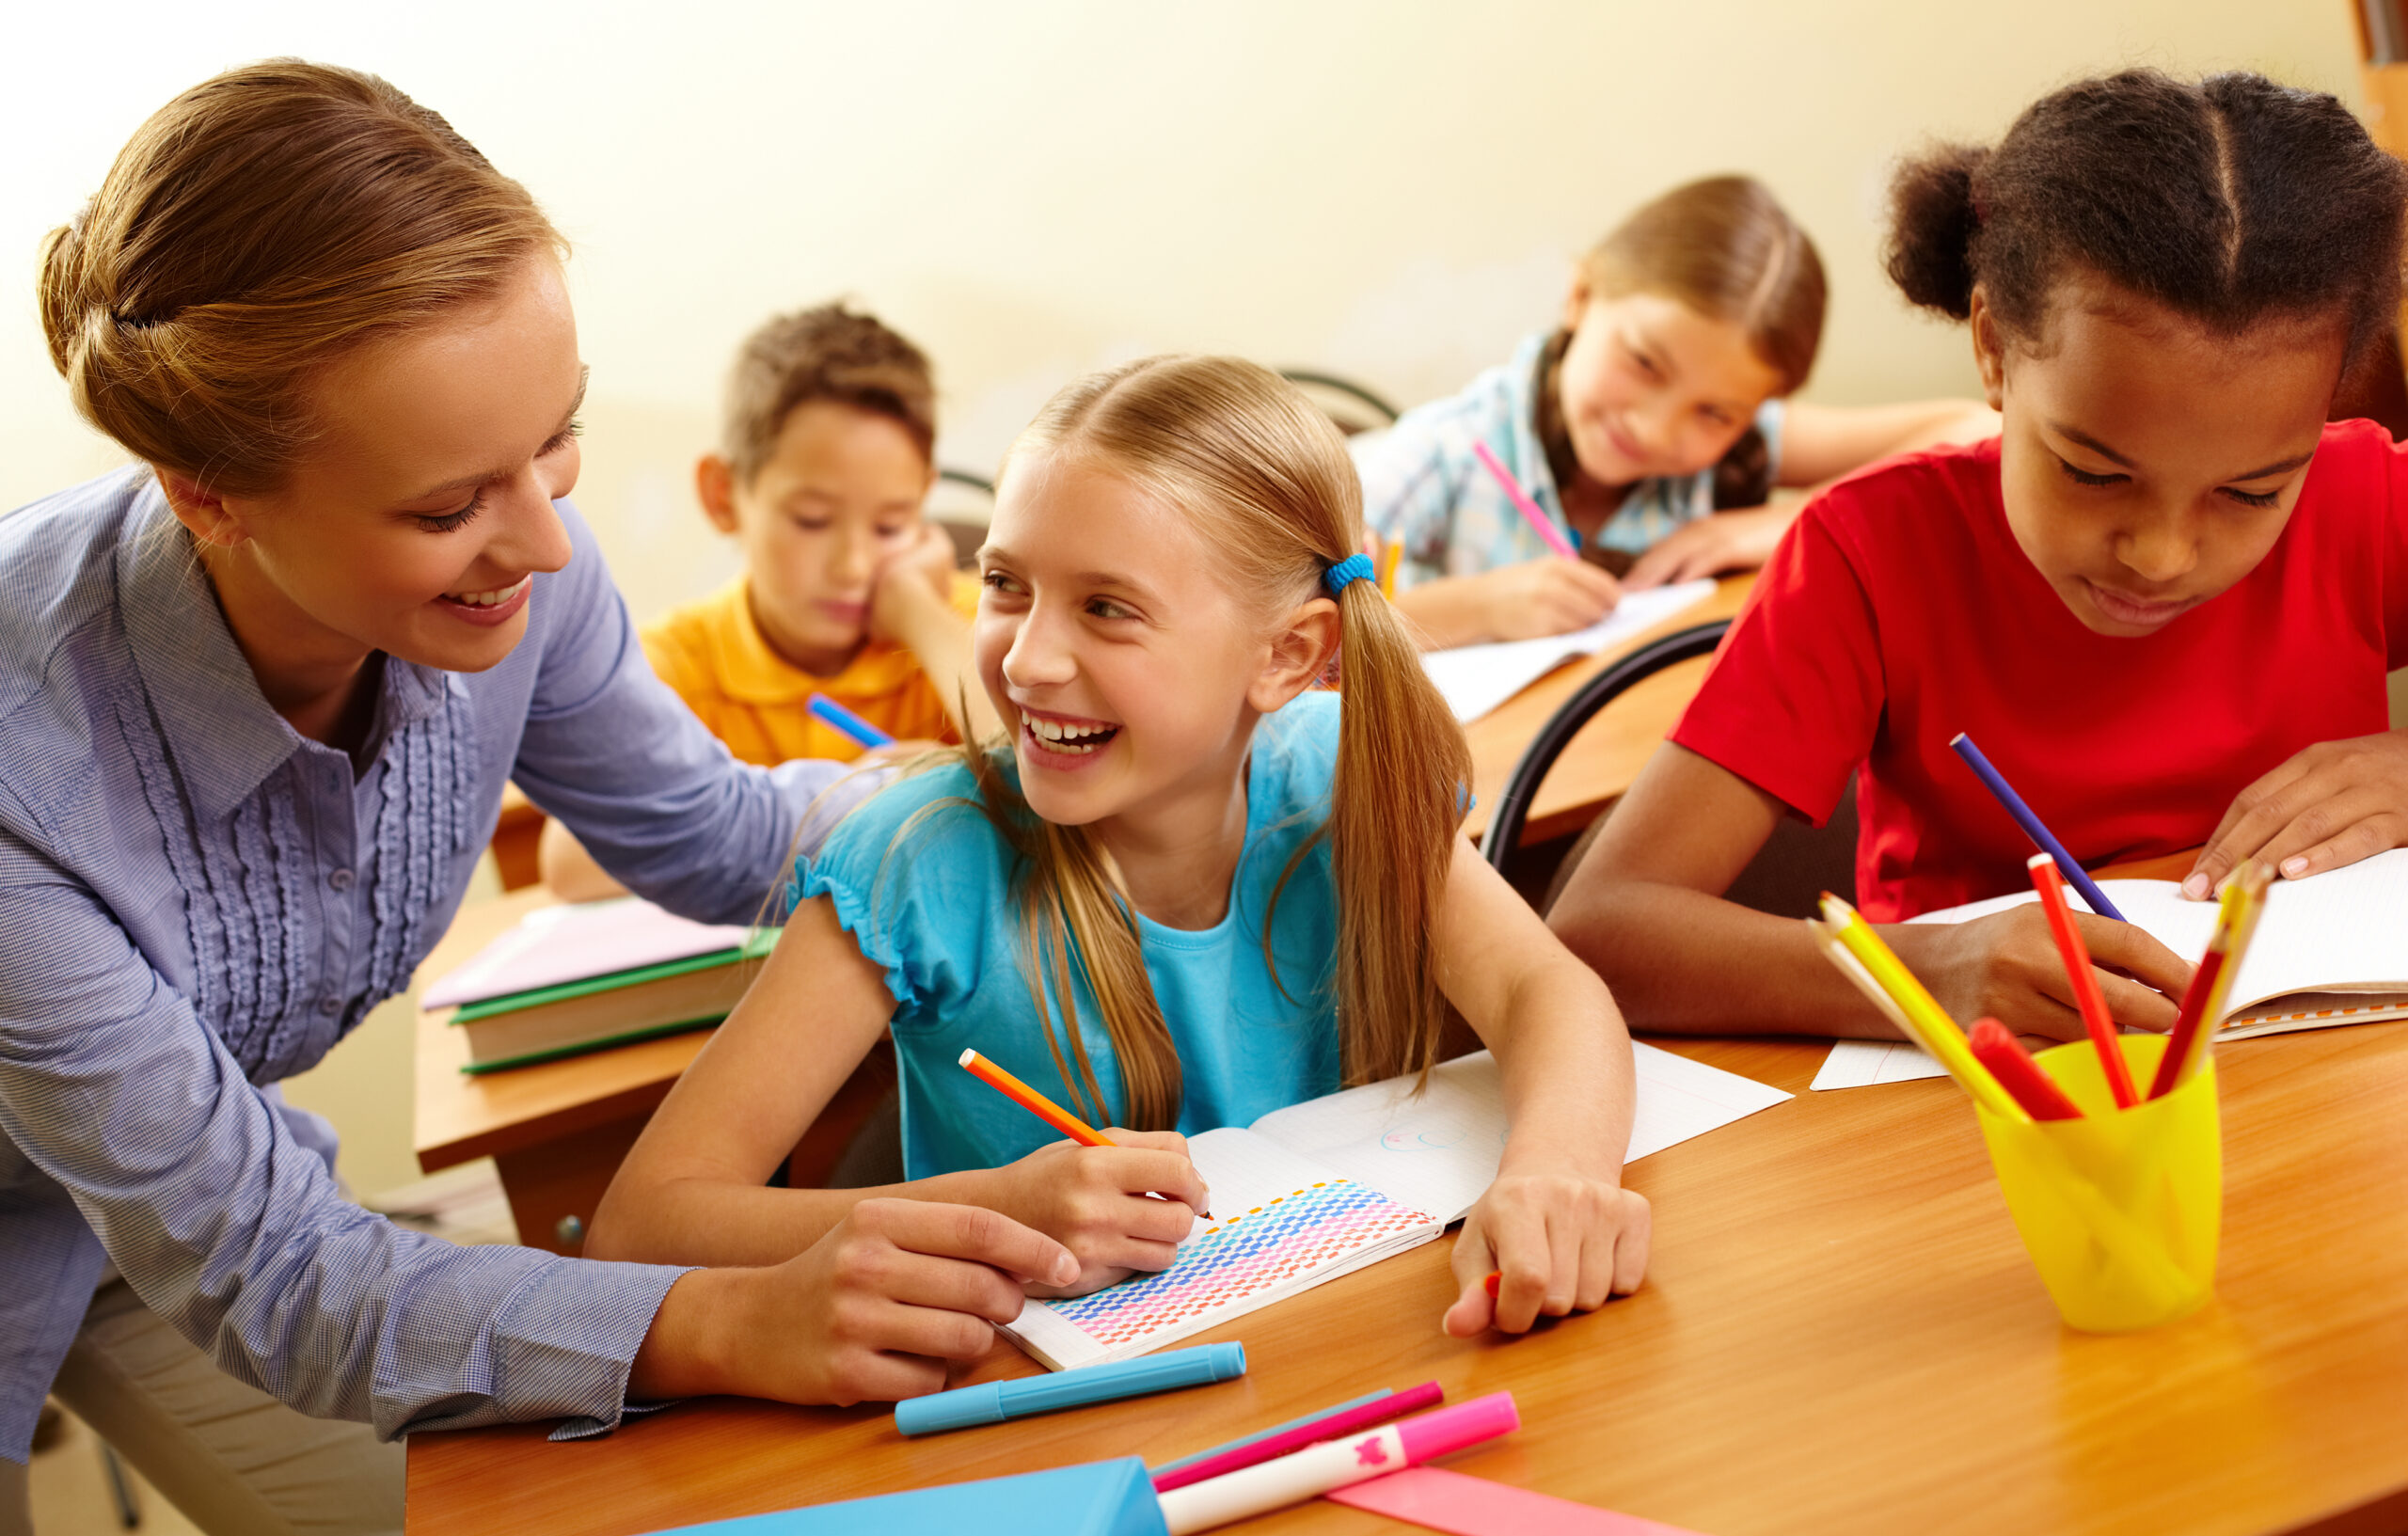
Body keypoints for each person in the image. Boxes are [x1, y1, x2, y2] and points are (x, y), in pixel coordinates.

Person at [0, 61, 1079, 1536]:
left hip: (179, 1211)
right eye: (449, 509)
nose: (550, 540)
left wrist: (1011, 774)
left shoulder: (521, 571)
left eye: (556, 441)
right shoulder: (25, 781)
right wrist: (715, 1310)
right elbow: (286, 1275)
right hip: (184, 1225)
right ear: (209, 493)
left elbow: (716, 832)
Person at [586, 356, 1653, 1339]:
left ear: (1286, 656)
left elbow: (1541, 993)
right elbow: (648, 1221)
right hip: (1040, 1415)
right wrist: (994, 1208)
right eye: (1005, 585)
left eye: (1106, 608)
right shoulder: (916, 857)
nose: (1031, 658)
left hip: (1351, 1331)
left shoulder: (1342, 777)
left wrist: (1555, 1176)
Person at [1545, 70, 2408, 1045]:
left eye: (2252, 493)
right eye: (2092, 472)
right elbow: (1598, 932)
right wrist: (1928, 974)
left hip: (2326, 1087)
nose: (2161, 554)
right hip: (1983, 1119)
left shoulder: (2364, 498)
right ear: (1995, 348)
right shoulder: (1869, 555)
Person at [1354, 175, 1997, 648]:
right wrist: (1479, 609)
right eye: (1644, 363)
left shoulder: (1743, 443)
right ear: (1580, 296)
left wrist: (1762, 529)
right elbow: (1290, 617)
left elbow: (1977, 432)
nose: (1658, 429)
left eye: (1715, 412)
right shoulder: (1452, 447)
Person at [538, 303, 989, 900]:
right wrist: (849, 798)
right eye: (811, 520)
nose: (853, 566)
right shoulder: (680, 658)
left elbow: (1045, 772)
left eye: (890, 525)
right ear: (724, 496)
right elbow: (567, 864)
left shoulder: (969, 627)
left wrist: (919, 613)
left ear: (924, 498)